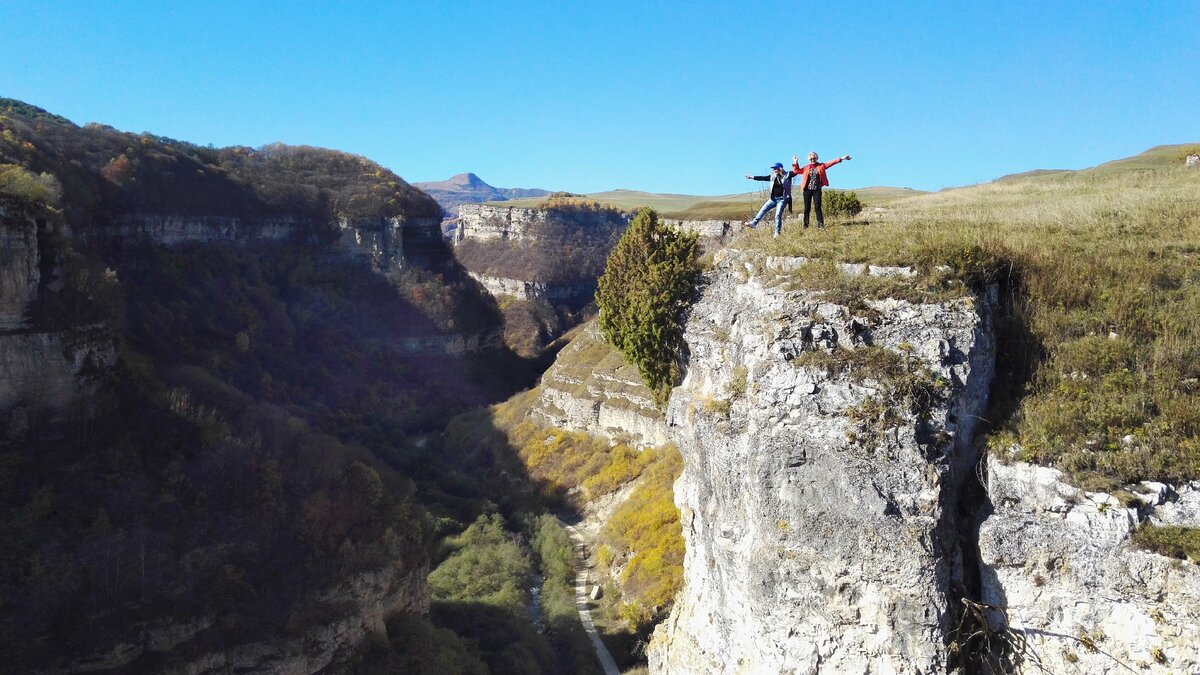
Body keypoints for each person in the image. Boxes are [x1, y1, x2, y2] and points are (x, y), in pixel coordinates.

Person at [743, 157, 801, 237]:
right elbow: (763, 178)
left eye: (775, 169)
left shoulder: (788, 175)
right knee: (763, 209)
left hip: (782, 199)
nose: (774, 170)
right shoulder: (772, 176)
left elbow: (796, 172)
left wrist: (795, 162)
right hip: (773, 199)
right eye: (773, 169)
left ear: (780, 169)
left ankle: (777, 233)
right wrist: (752, 177)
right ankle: (754, 223)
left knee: (777, 215)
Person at [792, 151, 852, 228]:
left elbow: (832, 162)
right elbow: (796, 171)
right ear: (809, 159)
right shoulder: (806, 167)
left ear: (816, 158)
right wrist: (795, 162)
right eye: (811, 159)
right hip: (807, 190)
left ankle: (821, 225)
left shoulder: (822, 166)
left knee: (818, 207)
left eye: (814, 158)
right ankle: (806, 225)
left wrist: (842, 158)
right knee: (807, 208)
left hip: (817, 190)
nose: (812, 160)